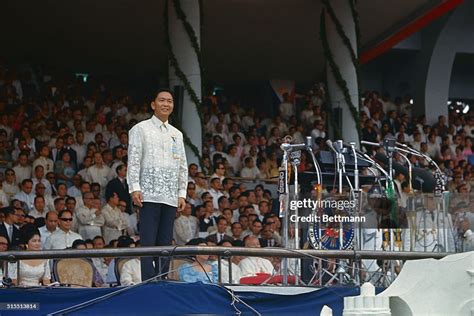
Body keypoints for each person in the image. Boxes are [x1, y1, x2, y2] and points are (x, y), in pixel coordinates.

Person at [127, 88, 188, 280]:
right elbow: (134, 160)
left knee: (165, 242)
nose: (166, 104)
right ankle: (148, 281)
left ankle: (163, 280)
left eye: (169, 101)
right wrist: (134, 187)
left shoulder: (176, 134)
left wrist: (182, 192)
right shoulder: (140, 129)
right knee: (148, 241)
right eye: (161, 100)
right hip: (148, 193)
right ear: (153, 104)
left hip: (170, 195)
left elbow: (182, 164)